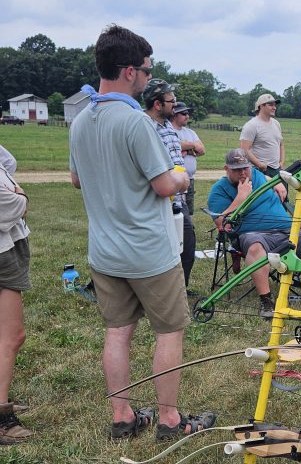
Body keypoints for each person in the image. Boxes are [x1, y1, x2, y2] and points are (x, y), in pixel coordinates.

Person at [69, 24, 215, 441]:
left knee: (117, 332)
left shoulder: (81, 120)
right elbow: (165, 184)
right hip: (148, 251)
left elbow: (77, 180)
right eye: (149, 71)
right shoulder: (136, 123)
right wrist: (182, 178)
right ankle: (169, 420)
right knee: (170, 330)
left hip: (104, 250)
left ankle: (123, 416)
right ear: (130, 71)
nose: (151, 78)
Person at [209, 149, 301, 319]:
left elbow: (267, 176)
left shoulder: (256, 176)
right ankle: (266, 301)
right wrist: (240, 198)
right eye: (236, 170)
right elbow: (222, 224)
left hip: (286, 229)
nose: (243, 173)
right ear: (226, 169)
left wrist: (277, 182)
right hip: (253, 234)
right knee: (255, 248)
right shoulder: (219, 190)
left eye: (245, 168)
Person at [143, 79, 196, 292]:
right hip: (156, 199)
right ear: (157, 104)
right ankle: (157, 291)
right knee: (158, 249)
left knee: (187, 241)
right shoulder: (143, 127)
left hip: (177, 198)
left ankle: (180, 289)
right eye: (171, 101)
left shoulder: (168, 126)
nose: (175, 105)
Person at [0, 146, 33, 445]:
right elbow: (13, 204)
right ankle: (1, 419)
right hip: (2, 252)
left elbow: (8, 160)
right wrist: (20, 194)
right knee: (12, 336)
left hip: (6, 246)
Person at [171, 101, 205, 214]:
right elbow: (174, 147)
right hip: (174, 178)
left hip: (189, 179)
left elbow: (202, 150)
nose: (187, 116)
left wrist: (186, 148)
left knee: (189, 212)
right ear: (175, 115)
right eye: (184, 113)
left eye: (188, 113)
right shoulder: (169, 131)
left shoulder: (190, 132)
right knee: (176, 211)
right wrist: (193, 145)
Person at [239, 93, 285, 176]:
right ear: (261, 106)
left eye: (275, 105)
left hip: (277, 170)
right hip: (259, 171)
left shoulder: (277, 124)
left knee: (282, 189)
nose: (274, 107)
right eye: (270, 105)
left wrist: (281, 162)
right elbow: (244, 150)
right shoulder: (251, 125)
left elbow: (281, 145)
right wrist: (259, 164)